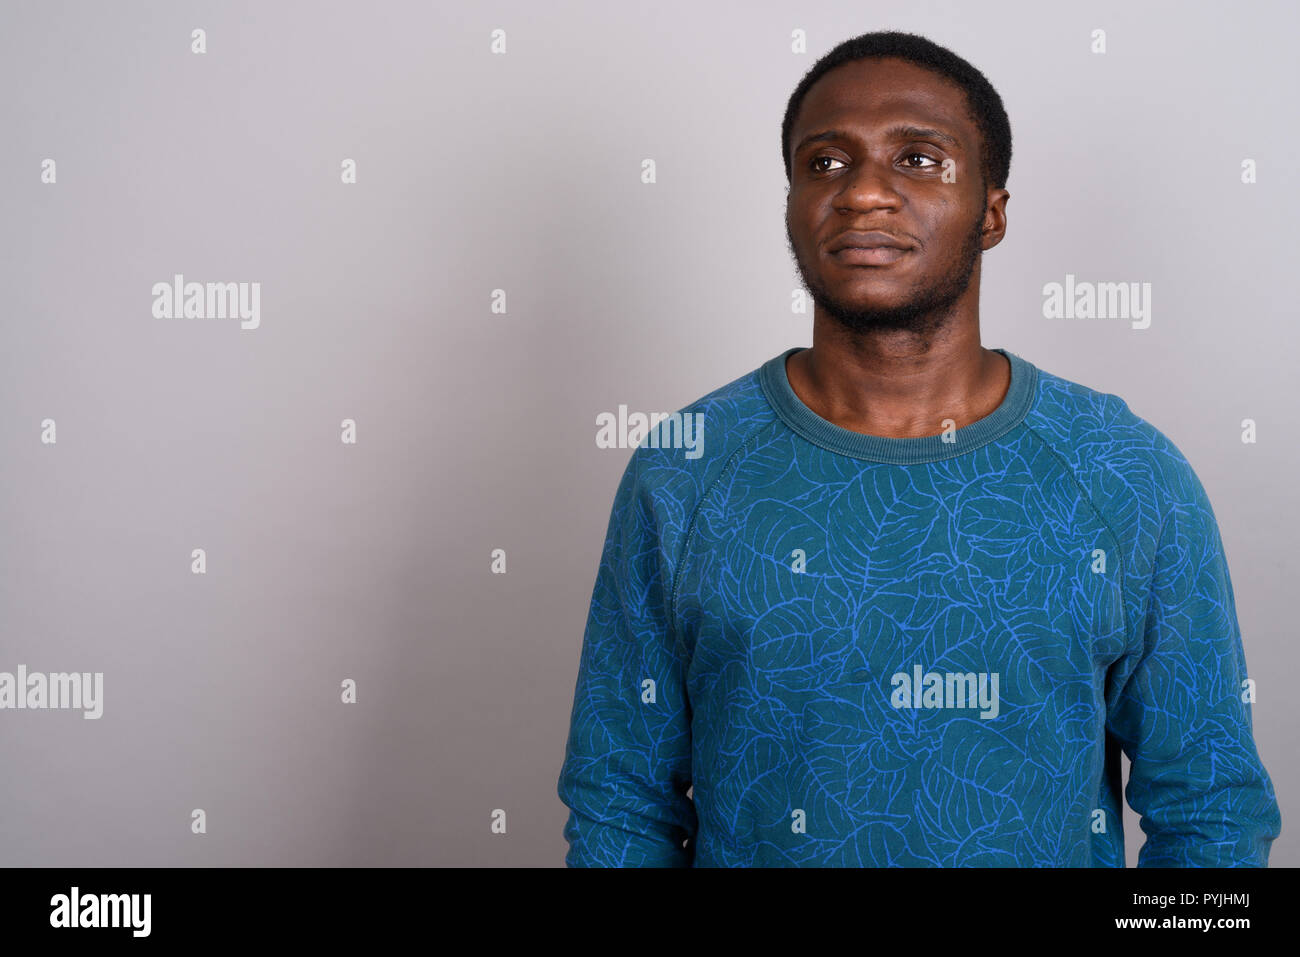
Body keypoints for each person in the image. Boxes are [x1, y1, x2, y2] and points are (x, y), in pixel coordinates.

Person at [556, 30, 1281, 866]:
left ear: (993, 213)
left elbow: (1213, 812)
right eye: (825, 162)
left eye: (919, 159)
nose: (863, 192)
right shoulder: (683, 469)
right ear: (790, 201)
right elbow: (620, 805)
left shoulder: (1124, 474)